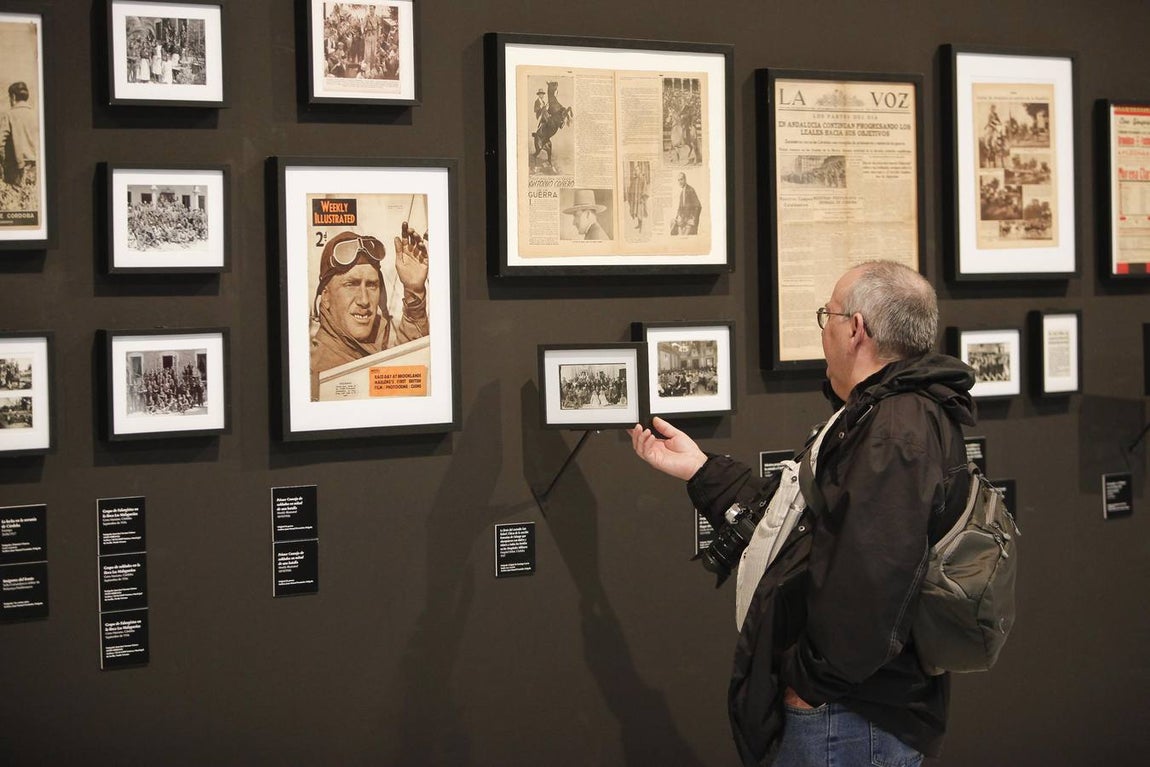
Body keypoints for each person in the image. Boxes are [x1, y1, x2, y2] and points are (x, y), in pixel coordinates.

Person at [628, 261, 976, 766]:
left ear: (856, 329)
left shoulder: (896, 429)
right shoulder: (882, 414)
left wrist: (808, 687)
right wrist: (701, 469)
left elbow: (871, 587)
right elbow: (797, 523)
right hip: (851, 710)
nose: (824, 331)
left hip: (851, 717)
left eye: (827, 315)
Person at [309, 228, 429, 398]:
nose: (364, 300)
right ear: (326, 297)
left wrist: (414, 290)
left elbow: (409, 363)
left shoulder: (376, 343)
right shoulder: (313, 376)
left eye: (372, 285)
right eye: (351, 284)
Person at [0, 82, 38, 188]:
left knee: (16, 200)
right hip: (37, 166)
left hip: (17, 169)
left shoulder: (9, 115)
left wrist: (4, 164)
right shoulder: (35, 114)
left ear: (13, 96)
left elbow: (0, 143)